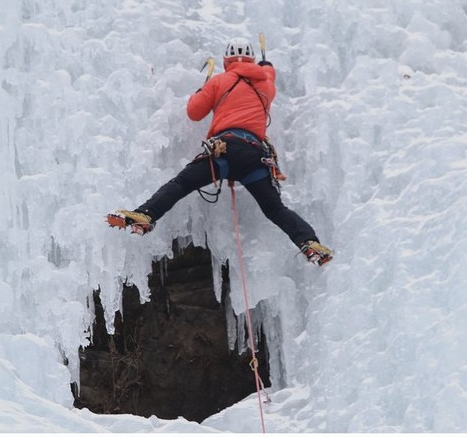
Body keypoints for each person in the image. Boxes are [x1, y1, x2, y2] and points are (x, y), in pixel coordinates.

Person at [107, 38, 333, 266]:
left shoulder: (220, 81)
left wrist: (200, 91)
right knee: (275, 209)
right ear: (252, 60)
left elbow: (194, 112)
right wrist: (267, 65)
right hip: (255, 158)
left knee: (181, 184)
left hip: (224, 152)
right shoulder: (265, 85)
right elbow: (268, 73)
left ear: (226, 61)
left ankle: (146, 215)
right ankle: (310, 243)